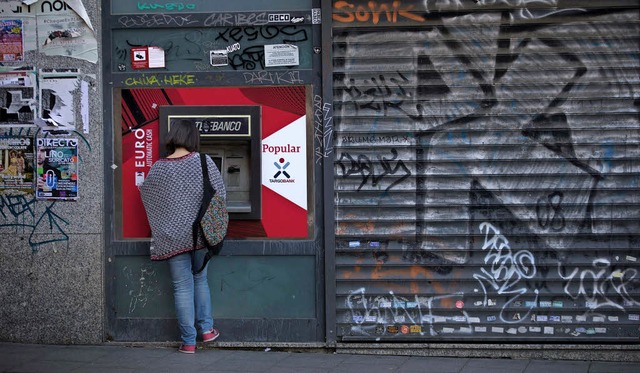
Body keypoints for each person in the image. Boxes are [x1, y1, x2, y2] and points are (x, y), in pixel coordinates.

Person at [139, 120, 226, 354]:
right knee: (200, 280)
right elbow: (220, 194)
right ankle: (206, 330)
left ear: (173, 137)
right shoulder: (203, 161)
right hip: (200, 234)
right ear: (193, 138)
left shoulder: (158, 167)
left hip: (171, 237)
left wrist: (167, 221)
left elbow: (147, 195)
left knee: (182, 288)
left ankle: (188, 342)